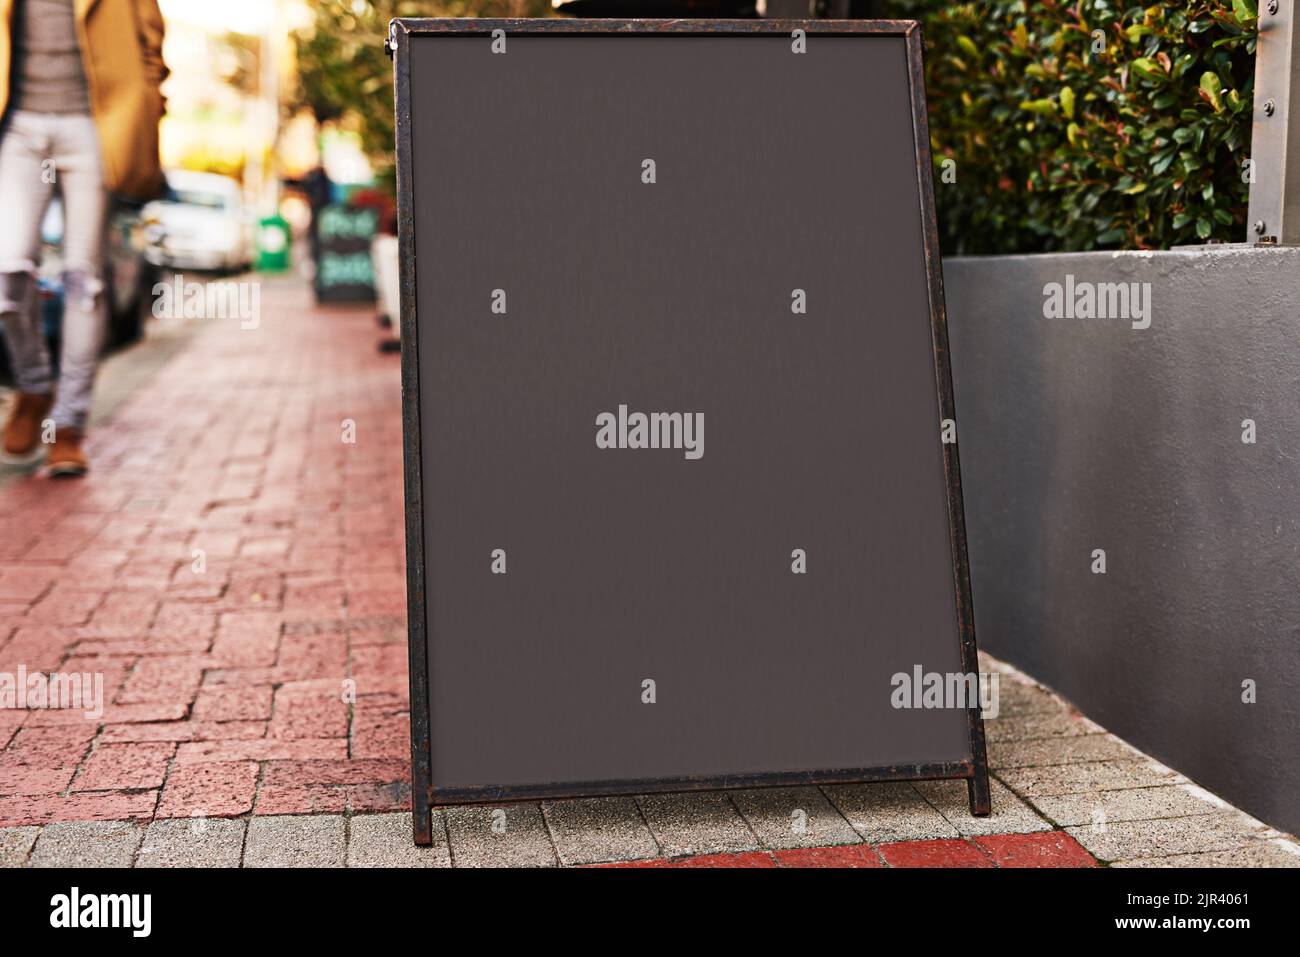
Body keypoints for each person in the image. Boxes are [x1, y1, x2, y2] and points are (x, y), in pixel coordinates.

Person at [0, 0, 167, 476]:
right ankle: (34, 386)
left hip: (95, 128)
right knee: (7, 270)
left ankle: (69, 427)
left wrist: (146, 113)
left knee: (82, 279)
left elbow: (151, 47)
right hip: (16, 128)